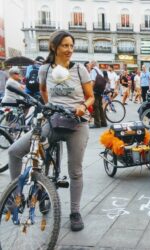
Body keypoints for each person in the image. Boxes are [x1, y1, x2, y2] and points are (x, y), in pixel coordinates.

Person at [8, 30, 94, 231]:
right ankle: (15, 197)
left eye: (71, 46)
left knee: (75, 171)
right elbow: (44, 92)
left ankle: (74, 212)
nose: (69, 50)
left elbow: (91, 97)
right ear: (54, 47)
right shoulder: (45, 69)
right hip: (53, 121)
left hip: (77, 123)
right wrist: (51, 108)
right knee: (14, 151)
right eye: (65, 45)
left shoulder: (80, 69)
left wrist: (83, 106)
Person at [90, 60, 107, 128]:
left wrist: (90, 90)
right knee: (100, 106)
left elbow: (93, 82)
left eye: (90, 63)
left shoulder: (93, 71)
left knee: (95, 106)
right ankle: (103, 122)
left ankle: (97, 123)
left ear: (92, 64)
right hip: (100, 91)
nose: (89, 65)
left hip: (95, 91)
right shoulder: (99, 71)